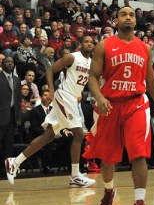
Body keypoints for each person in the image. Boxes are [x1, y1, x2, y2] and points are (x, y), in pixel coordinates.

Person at [83, 6, 154, 205]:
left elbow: (151, 81)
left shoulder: (145, 48)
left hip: (136, 104)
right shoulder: (104, 45)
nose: (128, 17)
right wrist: (100, 98)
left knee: (139, 155)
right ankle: (109, 191)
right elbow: (93, 77)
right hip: (110, 105)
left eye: (131, 14)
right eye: (124, 14)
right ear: (116, 20)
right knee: (108, 157)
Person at [5, 36, 96, 187]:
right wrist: (52, 90)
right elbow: (50, 70)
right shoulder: (72, 57)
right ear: (79, 44)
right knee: (79, 134)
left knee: (47, 136)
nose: (90, 43)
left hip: (72, 99)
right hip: (64, 96)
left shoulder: (91, 63)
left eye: (92, 42)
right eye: (86, 41)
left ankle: (15, 162)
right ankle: (75, 175)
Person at [0, 56, 22, 179]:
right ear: (2, 64)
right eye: (7, 62)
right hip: (1, 115)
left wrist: (18, 118)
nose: (10, 63)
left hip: (12, 116)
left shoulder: (17, 80)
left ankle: (4, 171)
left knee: (8, 145)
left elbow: (18, 100)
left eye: (12, 62)